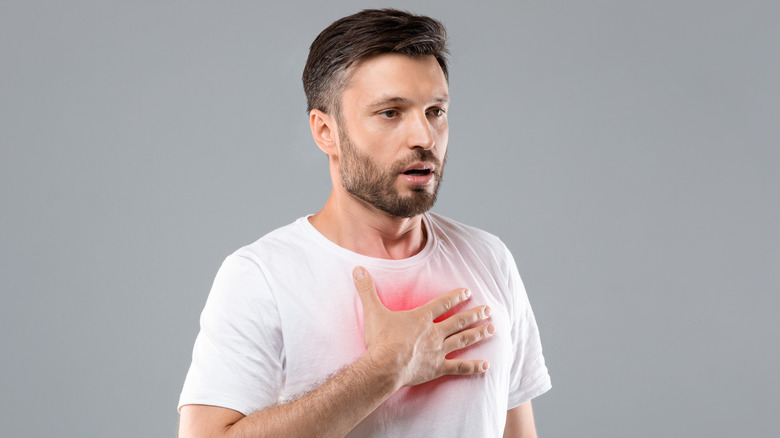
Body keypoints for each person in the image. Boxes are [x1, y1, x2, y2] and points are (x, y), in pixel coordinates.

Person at [178, 8, 551, 437]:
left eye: (435, 111)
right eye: (391, 112)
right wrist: (382, 369)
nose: (424, 138)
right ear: (325, 131)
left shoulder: (488, 257)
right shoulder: (261, 276)